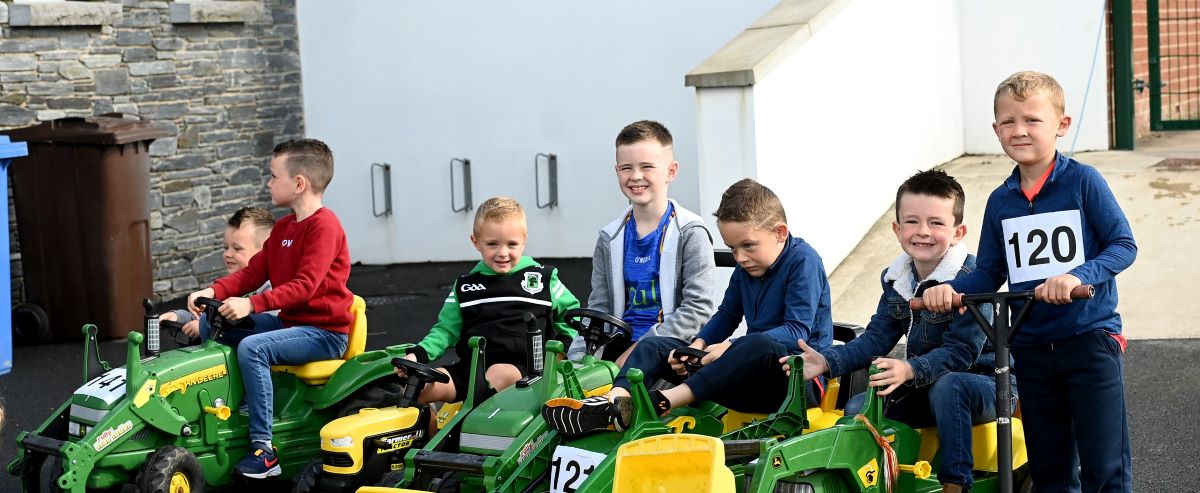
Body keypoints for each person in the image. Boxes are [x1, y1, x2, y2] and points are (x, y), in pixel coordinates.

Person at [921, 71, 1137, 492]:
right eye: (1007, 122)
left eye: (1032, 120)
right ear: (995, 129)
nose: (1019, 130)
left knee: (1104, 466)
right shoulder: (1001, 200)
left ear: (1061, 125)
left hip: (1088, 339)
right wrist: (953, 290)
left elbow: (1123, 245)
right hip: (1030, 347)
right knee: (1050, 469)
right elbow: (989, 271)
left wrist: (1077, 275)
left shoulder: (1082, 182)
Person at [544, 178, 833, 435]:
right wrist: (695, 349)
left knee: (757, 343)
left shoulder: (803, 261)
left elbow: (797, 330)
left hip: (796, 380)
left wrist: (729, 347)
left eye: (748, 245)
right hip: (745, 372)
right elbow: (728, 314)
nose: (740, 257)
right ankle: (614, 403)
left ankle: (666, 400)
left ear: (780, 232)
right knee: (653, 346)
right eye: (732, 248)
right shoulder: (747, 268)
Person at [788, 169, 1006, 493]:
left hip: (985, 382)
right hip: (926, 380)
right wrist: (826, 362)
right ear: (897, 228)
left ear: (958, 231)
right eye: (912, 222)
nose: (923, 232)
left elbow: (961, 353)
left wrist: (908, 368)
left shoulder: (972, 278)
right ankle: (882, 482)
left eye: (936, 223)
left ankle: (955, 483)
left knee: (950, 387)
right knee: (859, 407)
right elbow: (877, 337)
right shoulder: (897, 280)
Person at [186, 139, 355, 479]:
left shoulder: (324, 226)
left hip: (324, 333)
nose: (268, 183)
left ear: (298, 183)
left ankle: (264, 449)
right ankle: (227, 410)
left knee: (253, 346)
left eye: (273, 175)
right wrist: (213, 290)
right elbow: (252, 273)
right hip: (292, 326)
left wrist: (251, 303)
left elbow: (305, 285)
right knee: (212, 324)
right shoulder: (283, 228)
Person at [396, 197, 581, 404]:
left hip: (525, 373)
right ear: (475, 241)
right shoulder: (465, 286)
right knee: (417, 388)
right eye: (492, 244)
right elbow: (445, 330)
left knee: (499, 373)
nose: (502, 253)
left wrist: (563, 349)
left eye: (512, 244)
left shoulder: (543, 279)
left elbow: (572, 316)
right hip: (470, 369)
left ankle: (465, 429)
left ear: (524, 240)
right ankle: (434, 435)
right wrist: (417, 355)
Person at [566, 120, 716, 365]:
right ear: (616, 171)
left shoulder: (690, 232)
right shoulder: (609, 237)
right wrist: (576, 361)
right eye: (626, 168)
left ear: (671, 171)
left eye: (647, 166)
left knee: (614, 396)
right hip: (617, 345)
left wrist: (640, 350)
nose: (635, 176)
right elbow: (599, 308)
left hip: (672, 349)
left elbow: (697, 310)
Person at [160, 206, 275, 342]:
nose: (228, 254)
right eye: (226, 247)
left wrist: (205, 328)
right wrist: (180, 317)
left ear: (264, 252)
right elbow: (207, 317)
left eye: (237, 248)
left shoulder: (270, 289)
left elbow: (266, 331)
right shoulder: (225, 287)